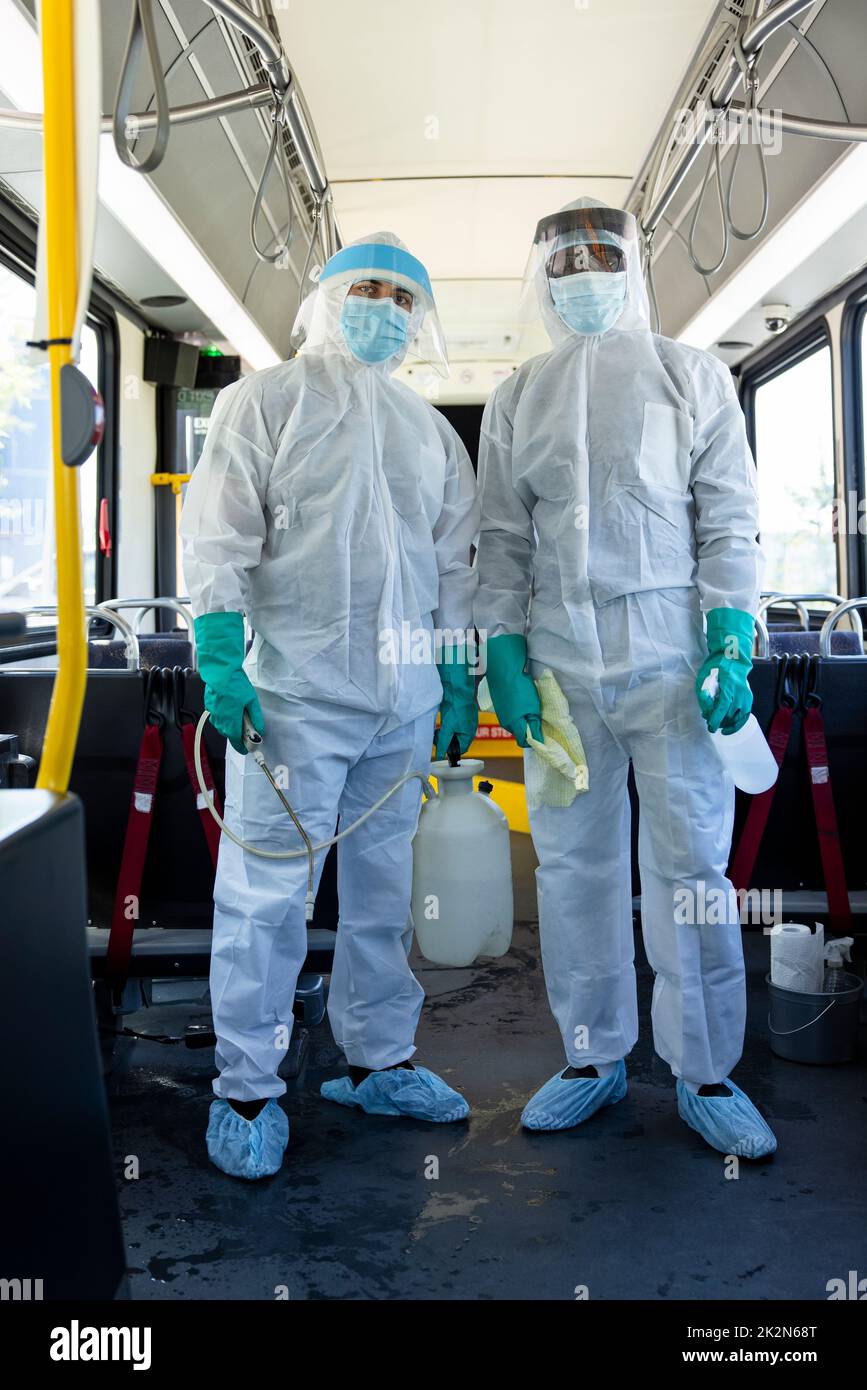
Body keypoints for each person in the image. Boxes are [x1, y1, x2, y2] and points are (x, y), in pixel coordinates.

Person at [474, 197, 776, 1159]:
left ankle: (705, 1071)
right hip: (561, 671)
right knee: (572, 869)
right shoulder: (518, 396)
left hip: (671, 664)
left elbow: (728, 517)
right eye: (565, 262)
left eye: (602, 255)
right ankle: (592, 1057)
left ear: (633, 264)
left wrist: (730, 637)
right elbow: (502, 543)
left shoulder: (692, 377)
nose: (585, 274)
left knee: (688, 870)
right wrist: (502, 659)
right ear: (544, 281)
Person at [181, 232, 479, 1180]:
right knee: (268, 896)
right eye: (368, 289)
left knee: (386, 896)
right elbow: (219, 533)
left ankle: (379, 1060)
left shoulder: (428, 433)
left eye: (403, 296)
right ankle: (246, 1085)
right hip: (293, 695)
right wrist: (220, 654)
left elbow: (454, 571)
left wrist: (458, 675)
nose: (383, 309)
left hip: (400, 701)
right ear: (328, 296)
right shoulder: (261, 401)